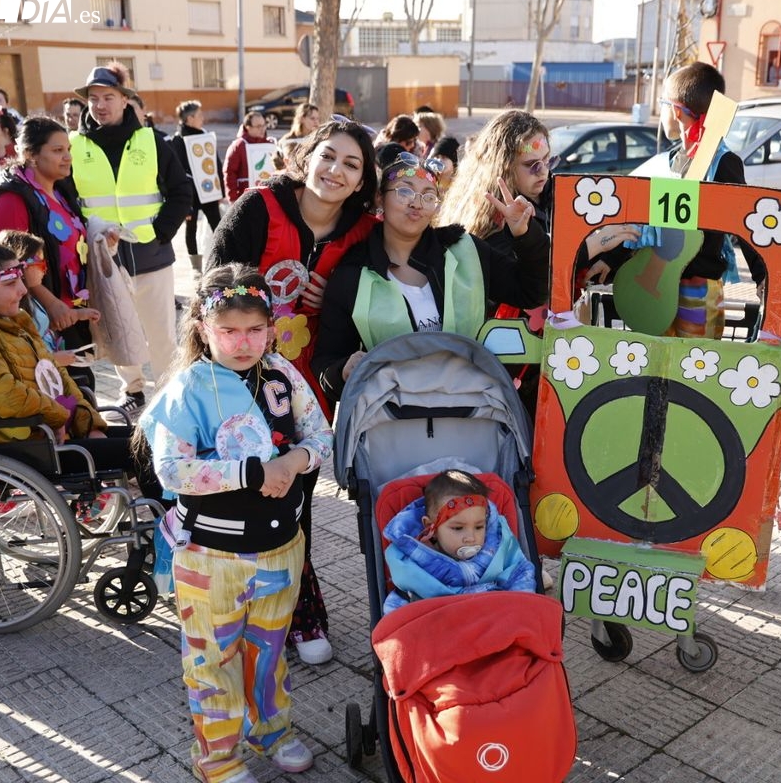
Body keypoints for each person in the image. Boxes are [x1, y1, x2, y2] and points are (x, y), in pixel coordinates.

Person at [138, 264, 332, 782]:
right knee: (212, 659)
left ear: (271, 327)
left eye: (253, 329)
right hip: (212, 556)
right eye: (228, 331)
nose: (242, 342)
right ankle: (219, 759)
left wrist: (294, 463)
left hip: (281, 547)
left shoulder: (283, 374)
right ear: (204, 328)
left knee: (268, 651)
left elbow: (319, 433)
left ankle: (272, 731)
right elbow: (172, 469)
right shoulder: (188, 390)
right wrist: (250, 471)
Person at [208, 118, 379, 665]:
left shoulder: (362, 232)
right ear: (306, 157)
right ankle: (234, 608)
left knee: (295, 497)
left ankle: (302, 615)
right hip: (239, 373)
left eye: (352, 164)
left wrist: (336, 295)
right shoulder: (259, 209)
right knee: (240, 491)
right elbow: (213, 286)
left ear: (361, 182)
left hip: (307, 386)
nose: (336, 170)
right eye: (328, 156)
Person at [312, 150, 550, 402]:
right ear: (380, 198)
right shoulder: (353, 274)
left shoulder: (466, 251)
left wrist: (525, 235)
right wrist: (344, 371)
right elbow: (326, 364)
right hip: (392, 419)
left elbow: (531, 291)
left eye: (428, 196)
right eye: (404, 191)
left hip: (468, 408)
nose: (416, 203)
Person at [0, 237, 162, 500]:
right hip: (23, 441)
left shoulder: (18, 318)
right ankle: (169, 531)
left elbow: (57, 376)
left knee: (159, 438)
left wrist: (89, 424)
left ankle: (172, 523)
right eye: (10, 284)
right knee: (146, 452)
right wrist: (58, 417)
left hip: (51, 430)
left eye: (21, 279)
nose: (23, 290)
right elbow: (5, 395)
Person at [588, 61, 763, 337]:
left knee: (694, 369)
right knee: (655, 368)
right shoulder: (669, 161)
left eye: (663, 103)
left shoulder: (723, 163)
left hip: (698, 289)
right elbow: (647, 221)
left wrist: (763, 278)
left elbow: (745, 220)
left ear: (678, 112)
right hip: (655, 286)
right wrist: (612, 257)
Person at [69, 64, 191, 413]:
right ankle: (132, 390)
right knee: (120, 328)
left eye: (108, 97)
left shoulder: (151, 140)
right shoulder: (74, 146)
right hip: (103, 258)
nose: (100, 105)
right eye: (93, 98)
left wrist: (161, 233)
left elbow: (182, 191)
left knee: (161, 332)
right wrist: (89, 238)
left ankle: (169, 392)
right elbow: (65, 199)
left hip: (152, 255)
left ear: (125, 100)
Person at [0, 116, 95, 357]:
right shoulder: (9, 202)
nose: (68, 157)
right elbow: (7, 267)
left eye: (68, 150)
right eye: (57, 150)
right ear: (31, 155)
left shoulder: (60, 190)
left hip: (69, 316)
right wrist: (52, 304)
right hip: (39, 324)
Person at [438, 109, 555, 318]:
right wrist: (587, 249)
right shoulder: (493, 219)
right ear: (503, 167)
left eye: (547, 160)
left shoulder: (547, 193)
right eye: (531, 164)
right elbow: (528, 287)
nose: (544, 171)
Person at [381, 469, 535, 614]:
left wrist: (520, 608)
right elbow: (399, 605)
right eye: (458, 528)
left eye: (479, 526)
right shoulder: (411, 562)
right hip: (441, 622)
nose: (471, 537)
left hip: (493, 615)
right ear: (430, 527)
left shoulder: (498, 546)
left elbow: (520, 572)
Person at [0, 229, 99, 389]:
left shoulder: (30, 299)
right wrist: (54, 359)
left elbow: (43, 325)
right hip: (41, 378)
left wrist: (78, 315)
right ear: (22, 266)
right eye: (40, 264)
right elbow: (21, 357)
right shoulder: (13, 308)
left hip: (52, 367)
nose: (45, 270)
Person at [170, 100, 224, 276]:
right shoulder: (177, 141)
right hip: (190, 194)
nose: (203, 118)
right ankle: (196, 267)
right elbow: (176, 170)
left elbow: (215, 163)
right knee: (191, 226)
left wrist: (220, 189)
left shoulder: (205, 136)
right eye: (199, 115)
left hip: (208, 191)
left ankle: (222, 259)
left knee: (218, 224)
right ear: (189, 118)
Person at [224, 110, 274, 202]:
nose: (262, 129)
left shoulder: (270, 144)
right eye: (258, 126)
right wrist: (233, 198)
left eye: (264, 125)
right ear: (248, 127)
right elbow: (230, 173)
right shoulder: (239, 146)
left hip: (266, 198)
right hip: (244, 198)